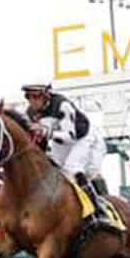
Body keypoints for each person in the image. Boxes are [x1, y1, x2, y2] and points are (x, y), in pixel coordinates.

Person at [22, 83, 111, 223]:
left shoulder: (62, 105)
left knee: (72, 168)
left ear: (46, 95)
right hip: (60, 142)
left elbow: (71, 135)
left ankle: (99, 210)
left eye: (35, 96)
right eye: (28, 96)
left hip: (82, 137)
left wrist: (46, 132)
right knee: (51, 169)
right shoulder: (31, 113)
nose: (31, 101)